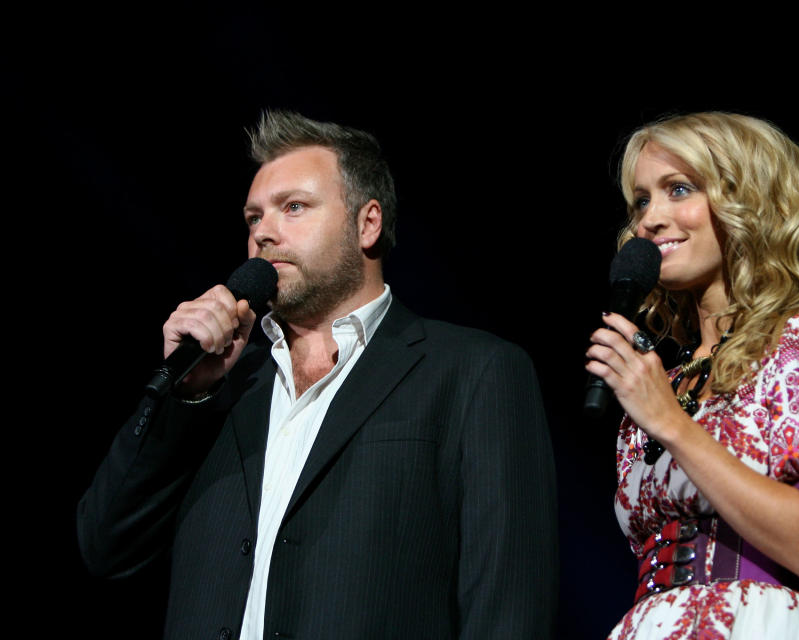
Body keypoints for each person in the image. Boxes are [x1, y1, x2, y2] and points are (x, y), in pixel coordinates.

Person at [78, 110, 558, 639]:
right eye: (253, 218)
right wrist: (186, 393)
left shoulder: (472, 371)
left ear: (367, 223)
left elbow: (508, 603)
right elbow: (106, 547)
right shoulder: (222, 385)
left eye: (295, 208)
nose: (264, 233)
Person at [585, 112, 799, 639]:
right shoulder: (665, 384)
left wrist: (673, 426)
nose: (649, 220)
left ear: (748, 202)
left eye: (678, 189)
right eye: (641, 200)